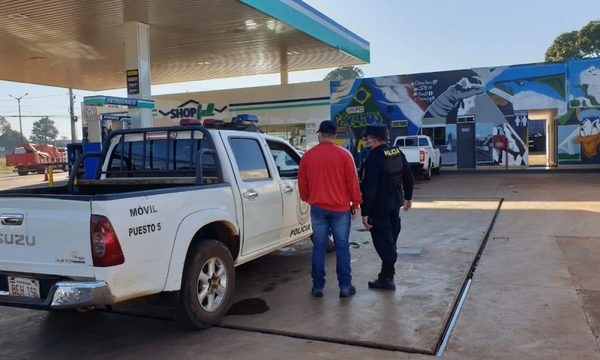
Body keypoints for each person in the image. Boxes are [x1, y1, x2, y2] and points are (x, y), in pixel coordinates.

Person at [299, 120, 362, 298]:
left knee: (319, 247)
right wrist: (356, 204)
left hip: (318, 208)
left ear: (320, 134)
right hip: (341, 209)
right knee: (342, 246)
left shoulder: (308, 156)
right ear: (334, 135)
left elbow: (302, 183)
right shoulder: (344, 155)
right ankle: (345, 287)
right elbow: (353, 183)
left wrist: (307, 198)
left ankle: (318, 287)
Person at [360, 124, 414, 290]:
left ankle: (388, 278)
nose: (366, 141)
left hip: (379, 208)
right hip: (394, 204)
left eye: (367, 138)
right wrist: (408, 198)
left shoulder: (374, 158)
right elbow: (409, 177)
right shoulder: (396, 152)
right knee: (391, 239)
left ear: (375, 139)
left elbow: (369, 189)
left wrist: (365, 212)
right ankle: (385, 275)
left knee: (384, 243)